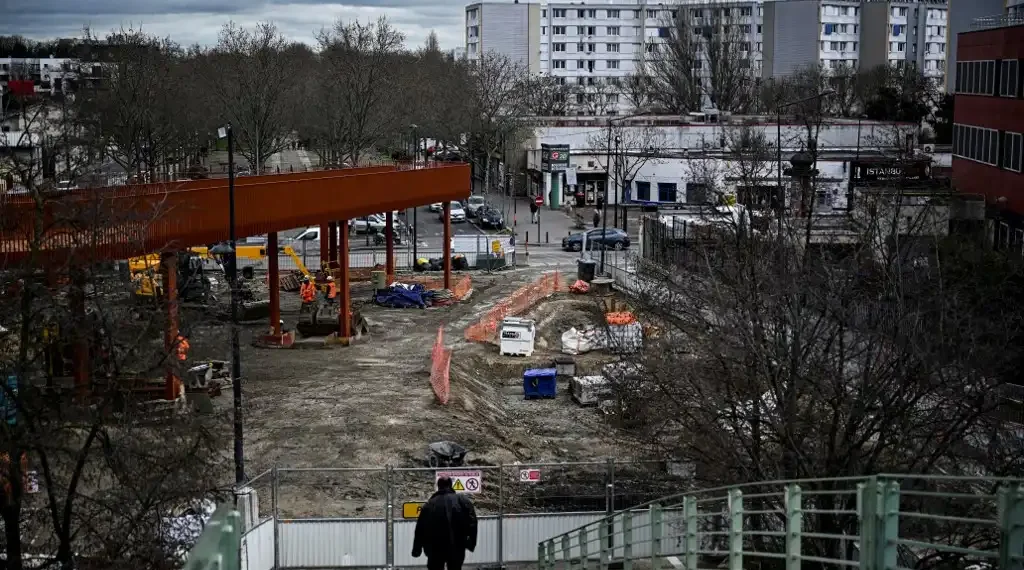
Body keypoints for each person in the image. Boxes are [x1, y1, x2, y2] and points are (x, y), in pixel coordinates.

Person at [412, 477, 477, 570]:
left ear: (438, 486)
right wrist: (471, 542)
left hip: (435, 548)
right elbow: (472, 522)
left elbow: (420, 528)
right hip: (457, 546)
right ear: (451, 485)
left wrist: (417, 549)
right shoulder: (462, 501)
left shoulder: (430, 504)